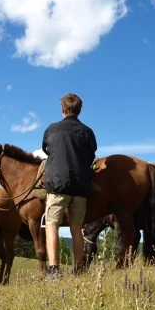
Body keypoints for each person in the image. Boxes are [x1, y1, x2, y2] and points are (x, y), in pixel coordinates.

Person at [42, 93, 97, 280]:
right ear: (79, 110)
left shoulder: (51, 129)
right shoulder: (87, 131)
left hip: (57, 185)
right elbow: (91, 156)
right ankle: (78, 269)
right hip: (81, 186)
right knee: (76, 228)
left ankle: (54, 270)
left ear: (62, 108)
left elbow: (46, 150)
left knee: (51, 225)